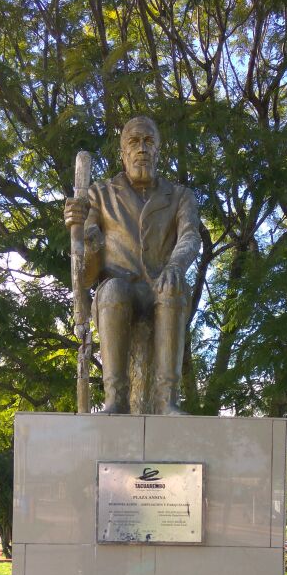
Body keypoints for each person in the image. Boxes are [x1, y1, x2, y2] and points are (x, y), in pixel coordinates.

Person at [64, 116, 201, 414]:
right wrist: (84, 235)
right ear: (123, 152)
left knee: (173, 290)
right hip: (118, 284)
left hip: (159, 284)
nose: (142, 149)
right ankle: (116, 399)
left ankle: (168, 400)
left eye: (149, 142)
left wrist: (176, 265)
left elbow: (190, 235)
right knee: (113, 292)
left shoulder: (180, 196)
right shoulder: (99, 194)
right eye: (134, 142)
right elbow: (86, 273)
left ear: (158, 151)